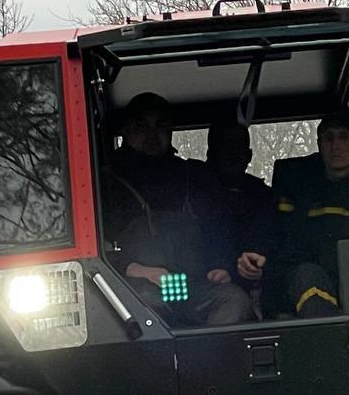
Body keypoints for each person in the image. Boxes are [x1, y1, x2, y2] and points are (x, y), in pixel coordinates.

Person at [104, 92, 253, 326]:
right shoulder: (105, 183)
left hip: (192, 287)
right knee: (144, 306)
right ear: (126, 130)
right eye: (142, 125)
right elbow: (95, 250)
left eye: (160, 125)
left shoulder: (193, 176)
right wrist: (136, 270)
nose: (152, 134)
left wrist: (221, 266)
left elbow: (218, 230)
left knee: (234, 300)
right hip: (138, 287)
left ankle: (209, 352)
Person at [236, 112, 349, 317]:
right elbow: (268, 230)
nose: (335, 145)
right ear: (319, 145)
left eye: (344, 136)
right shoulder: (294, 185)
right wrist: (256, 257)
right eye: (328, 138)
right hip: (299, 280)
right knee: (308, 275)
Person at [202, 120, 274, 254]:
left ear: (249, 155)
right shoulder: (192, 196)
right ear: (211, 155)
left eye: (239, 148)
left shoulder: (265, 198)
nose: (233, 154)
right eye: (225, 147)